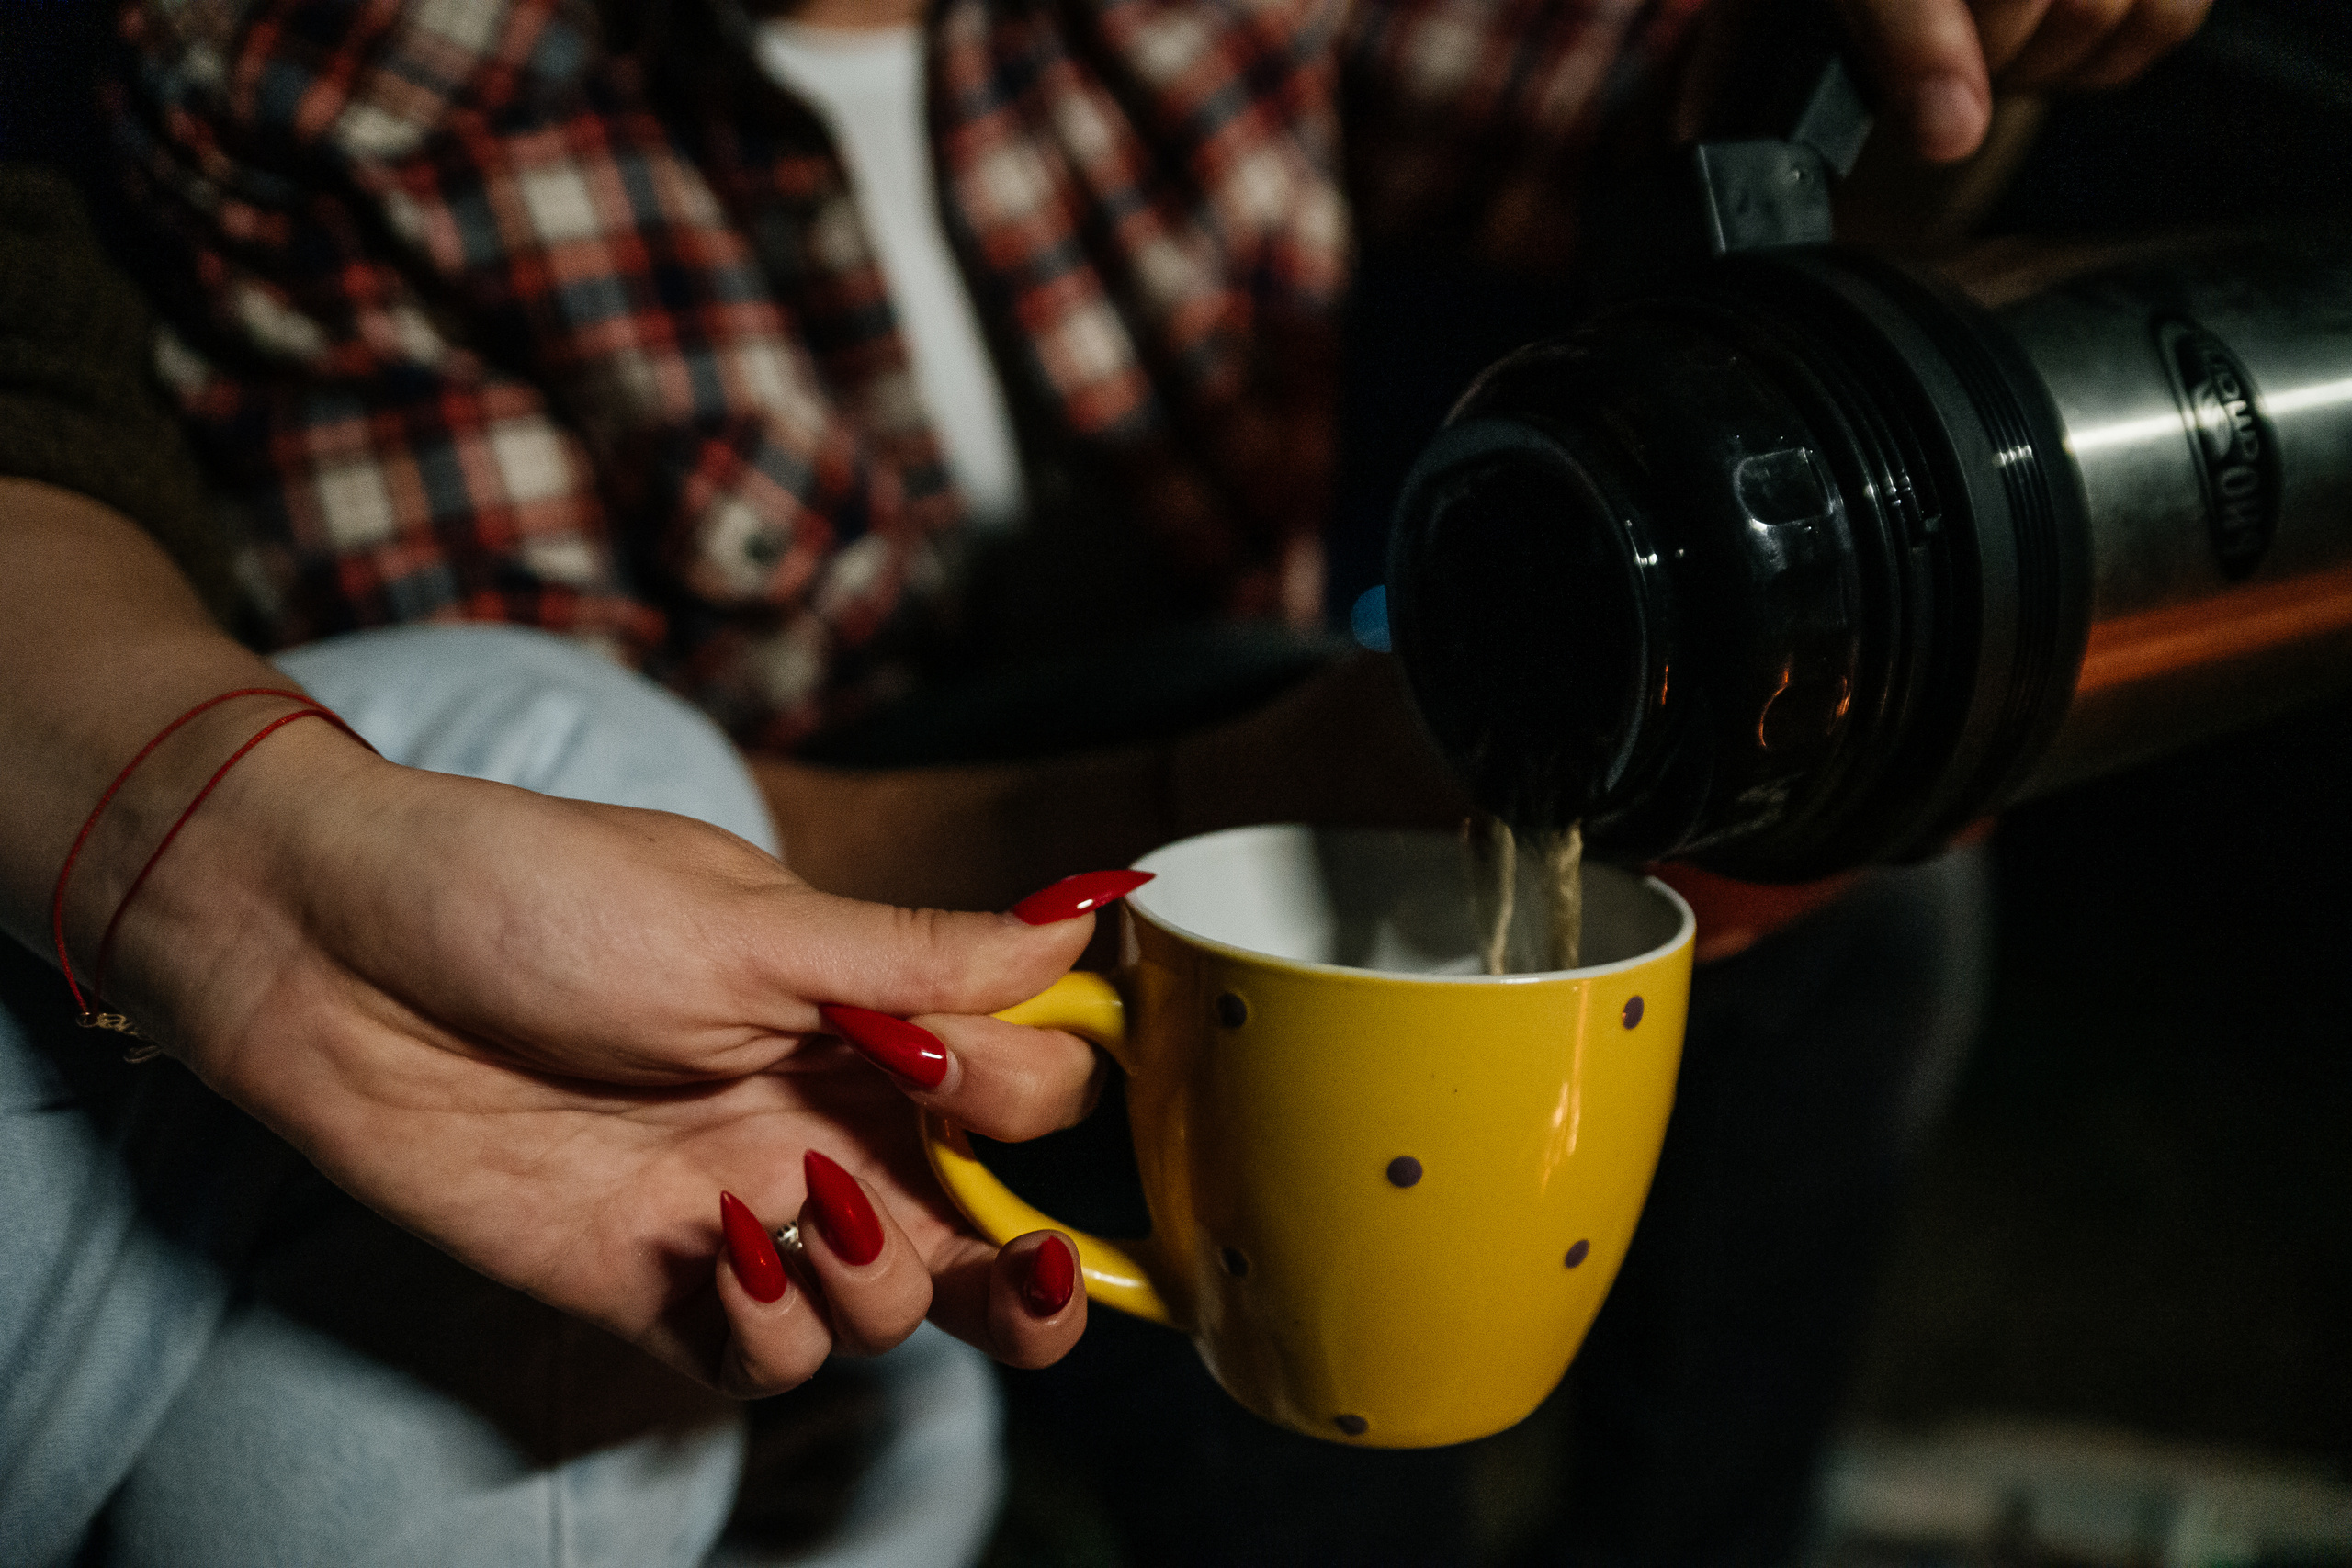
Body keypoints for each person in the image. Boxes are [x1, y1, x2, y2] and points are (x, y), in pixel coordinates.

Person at [5, 0, 2211, 1560]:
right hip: (820, 871)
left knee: (1861, 904)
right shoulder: (330, 72)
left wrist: (1931, 66)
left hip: (1262, 765)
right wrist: (1238, 777)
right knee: (1276, 1133)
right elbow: (547, 768)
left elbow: (1696, 118)